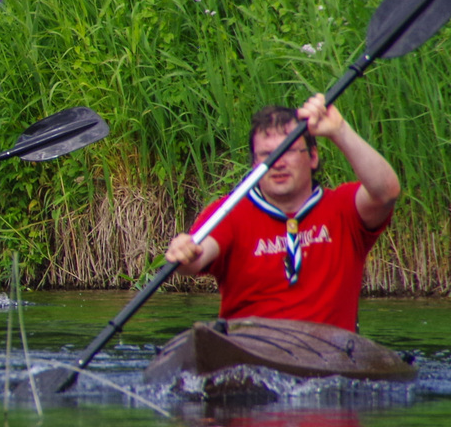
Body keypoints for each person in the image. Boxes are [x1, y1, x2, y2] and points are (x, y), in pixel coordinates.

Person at [163, 96, 398, 332]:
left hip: (329, 349)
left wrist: (340, 131)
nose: (278, 163)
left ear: (313, 156)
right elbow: (196, 258)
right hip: (250, 348)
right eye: (267, 155)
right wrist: (185, 253)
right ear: (254, 165)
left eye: (288, 151)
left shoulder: (344, 208)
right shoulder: (229, 212)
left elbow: (386, 192)